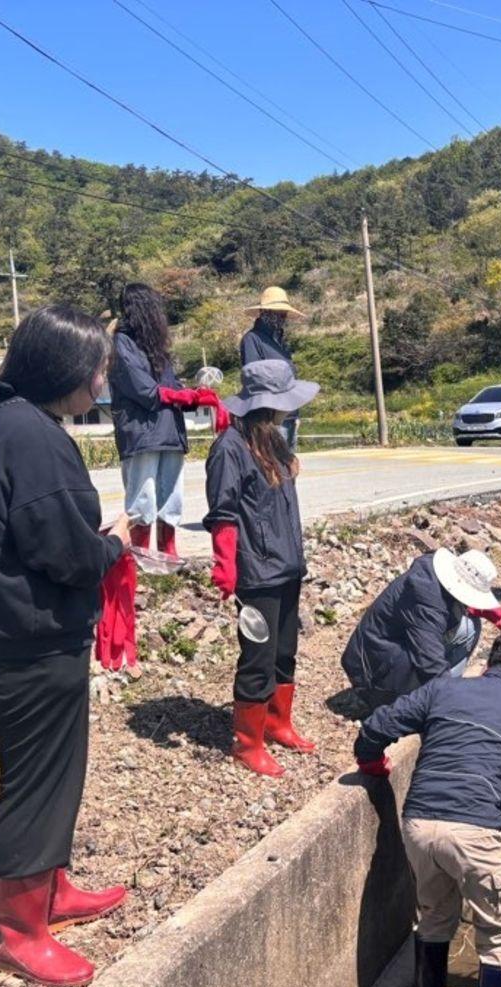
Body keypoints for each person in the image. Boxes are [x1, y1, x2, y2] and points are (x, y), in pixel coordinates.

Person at [0, 305, 130, 987]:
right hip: (24, 641)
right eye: (99, 367)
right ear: (70, 373)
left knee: (55, 769)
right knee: (37, 783)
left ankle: (53, 888)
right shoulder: (38, 440)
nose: (104, 380)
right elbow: (66, 553)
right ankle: (19, 931)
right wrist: (112, 544)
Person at [354, 629, 501, 987]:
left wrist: (370, 761)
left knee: (434, 916)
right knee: (499, 937)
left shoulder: (444, 689)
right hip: (476, 830)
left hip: (420, 825)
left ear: (492, 660)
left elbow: (378, 724)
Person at [204, 358, 319, 778]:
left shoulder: (274, 441)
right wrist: (225, 567)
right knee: (258, 656)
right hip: (256, 574)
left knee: (285, 650)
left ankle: (277, 722)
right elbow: (223, 513)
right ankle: (247, 743)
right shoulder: (229, 448)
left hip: (287, 566)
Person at [341, 548, 501, 712]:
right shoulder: (426, 601)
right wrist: (455, 702)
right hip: (374, 673)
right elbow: (428, 660)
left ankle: (442, 691)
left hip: (387, 653)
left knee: (470, 626)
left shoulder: (431, 576)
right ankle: (428, 700)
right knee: (462, 637)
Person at [109, 282, 188, 555]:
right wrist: (180, 397)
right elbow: (145, 390)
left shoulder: (156, 348)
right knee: (143, 500)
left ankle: (168, 555)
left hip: (168, 432)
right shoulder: (121, 343)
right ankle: (140, 559)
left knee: (171, 497)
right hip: (142, 432)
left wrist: (190, 394)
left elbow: (171, 385)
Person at [239, 286, 306, 449]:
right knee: (273, 470)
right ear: (266, 312)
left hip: (288, 416)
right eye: (279, 313)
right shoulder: (252, 339)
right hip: (270, 420)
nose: (283, 318)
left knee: (288, 470)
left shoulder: (279, 342)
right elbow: (255, 382)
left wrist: (296, 415)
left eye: (284, 314)